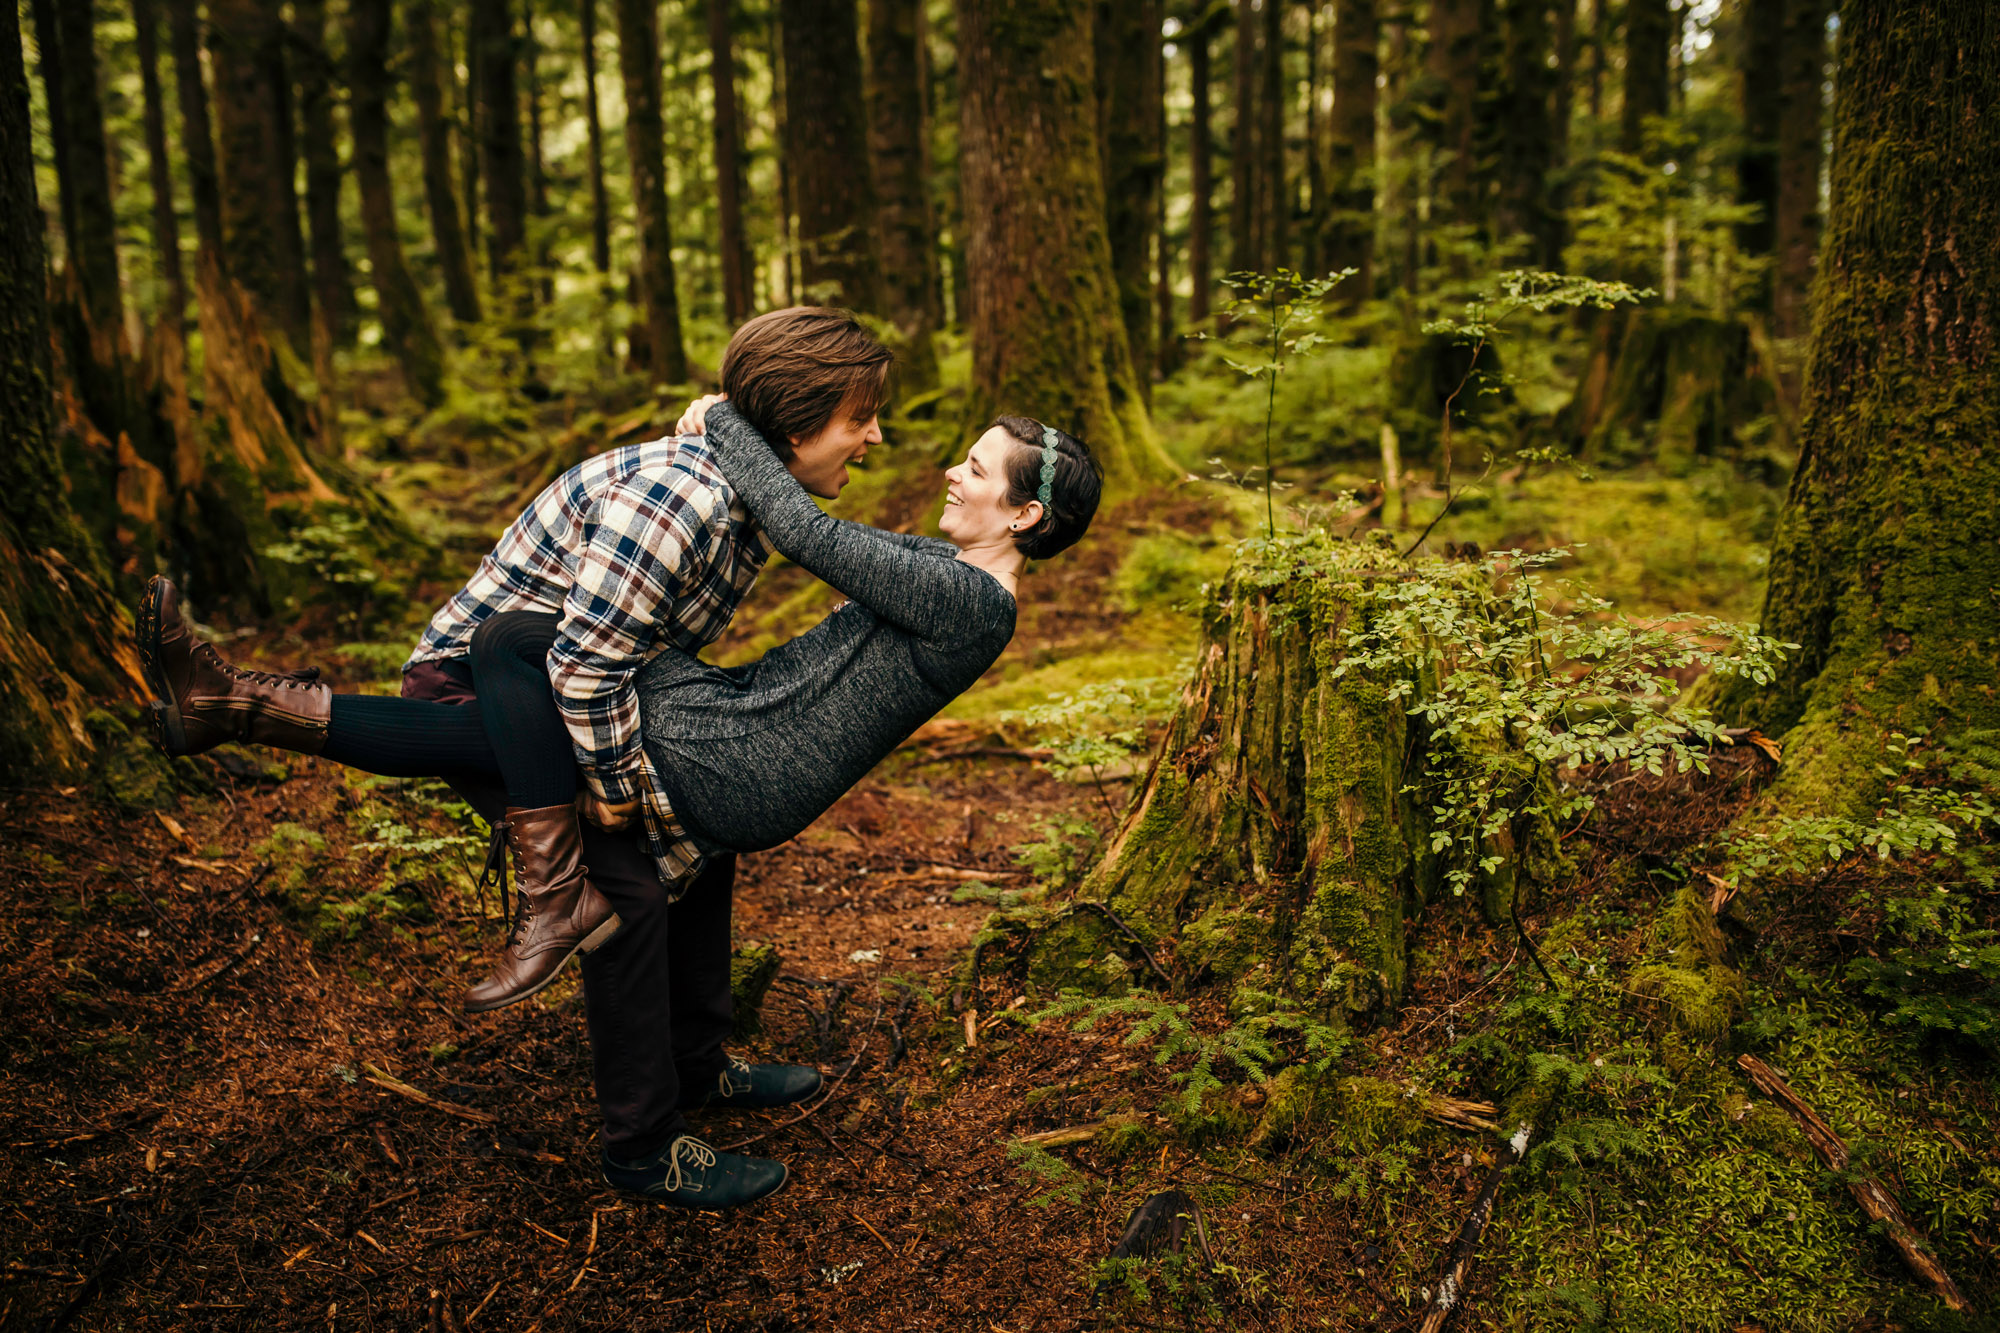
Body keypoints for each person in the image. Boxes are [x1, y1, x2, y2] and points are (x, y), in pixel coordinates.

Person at [138, 308, 891, 1208]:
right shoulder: (678, 502)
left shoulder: (738, 482)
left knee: (704, 844)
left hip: (574, 686)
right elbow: (580, 667)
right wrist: (622, 793)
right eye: (860, 419)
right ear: (797, 426)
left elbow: (610, 657)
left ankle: (696, 1063)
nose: (876, 436)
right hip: (497, 687)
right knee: (627, 892)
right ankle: (644, 1146)